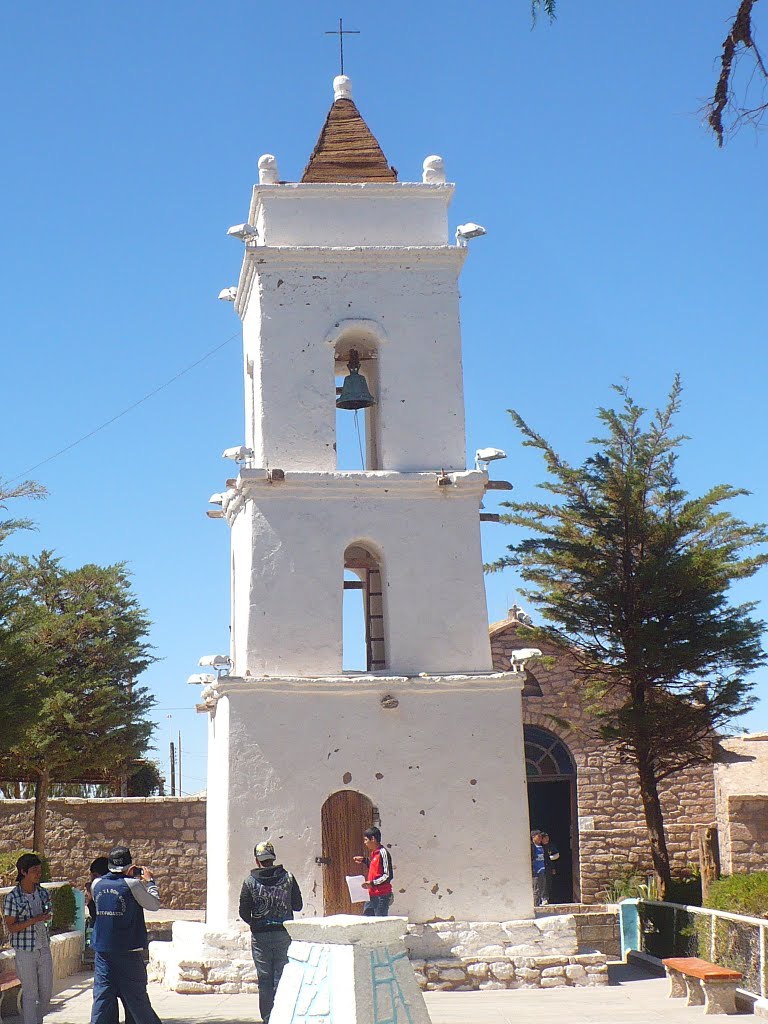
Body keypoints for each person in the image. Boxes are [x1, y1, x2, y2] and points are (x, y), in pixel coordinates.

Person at [90, 846, 162, 1024]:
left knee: (102, 998)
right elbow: (153, 904)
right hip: (128, 951)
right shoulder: (133, 884)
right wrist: (150, 882)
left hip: (103, 952)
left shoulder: (96, 884)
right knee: (137, 1000)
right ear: (130, 868)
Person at [239, 840, 303, 1024]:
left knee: (265, 979)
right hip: (283, 934)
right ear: (273, 858)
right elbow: (298, 906)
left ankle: (268, 1019)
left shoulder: (250, 881)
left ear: (257, 860)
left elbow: (244, 912)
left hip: (260, 936)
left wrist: (257, 922)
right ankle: (283, 1017)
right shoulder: (288, 878)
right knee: (282, 977)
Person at [2, 853, 54, 1024]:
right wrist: (34, 920)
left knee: (45, 992)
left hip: (43, 947)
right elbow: (11, 927)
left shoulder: (43, 893)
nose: (38, 874)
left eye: (39, 870)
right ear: (23, 872)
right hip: (25, 951)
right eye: (34, 871)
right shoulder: (13, 898)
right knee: (30, 993)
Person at [86, 856, 135, 1024]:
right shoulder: (127, 887)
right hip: (122, 949)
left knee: (106, 997)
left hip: (110, 951)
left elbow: (96, 917)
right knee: (130, 999)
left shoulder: (104, 890)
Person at [352, 826, 393, 916]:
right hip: (371, 894)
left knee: (379, 923)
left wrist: (372, 883)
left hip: (381, 896)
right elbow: (375, 868)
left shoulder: (383, 853)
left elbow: (388, 875)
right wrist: (364, 860)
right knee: (367, 921)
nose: (365, 842)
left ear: (373, 839)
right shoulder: (374, 853)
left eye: (366, 839)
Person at [531, 829, 549, 906]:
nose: (540, 838)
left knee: (543, 887)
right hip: (536, 871)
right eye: (538, 836)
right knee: (536, 889)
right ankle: (536, 904)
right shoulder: (532, 847)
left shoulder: (542, 847)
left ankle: (543, 900)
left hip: (542, 870)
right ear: (533, 837)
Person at [541, 832, 560, 903]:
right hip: (541, 868)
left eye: (547, 838)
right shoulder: (539, 847)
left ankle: (546, 898)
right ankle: (542, 898)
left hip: (549, 868)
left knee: (548, 883)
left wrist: (553, 867)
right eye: (545, 838)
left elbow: (556, 855)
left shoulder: (551, 846)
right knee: (542, 883)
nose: (547, 839)